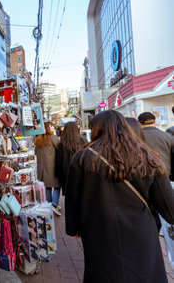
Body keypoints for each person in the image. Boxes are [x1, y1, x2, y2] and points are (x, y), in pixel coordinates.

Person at [65, 110, 174, 283]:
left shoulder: (82, 158)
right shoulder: (147, 157)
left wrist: (73, 228)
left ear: (97, 130)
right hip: (141, 234)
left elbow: (72, 198)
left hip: (99, 234)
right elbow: (170, 209)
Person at [34, 122, 61, 215]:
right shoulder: (53, 138)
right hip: (53, 166)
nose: (53, 127)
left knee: (47, 187)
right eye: (52, 126)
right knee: (57, 186)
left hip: (42, 168)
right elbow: (59, 149)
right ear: (47, 128)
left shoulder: (38, 139)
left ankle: (49, 205)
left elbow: (35, 153)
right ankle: (54, 204)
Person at [55, 121, 87, 196]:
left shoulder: (61, 144)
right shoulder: (83, 141)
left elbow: (58, 162)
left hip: (67, 175)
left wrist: (58, 175)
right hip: (82, 173)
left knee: (69, 198)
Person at [138, 112, 174, 177]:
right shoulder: (168, 136)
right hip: (164, 172)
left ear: (139, 123)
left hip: (143, 173)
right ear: (154, 121)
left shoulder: (135, 137)